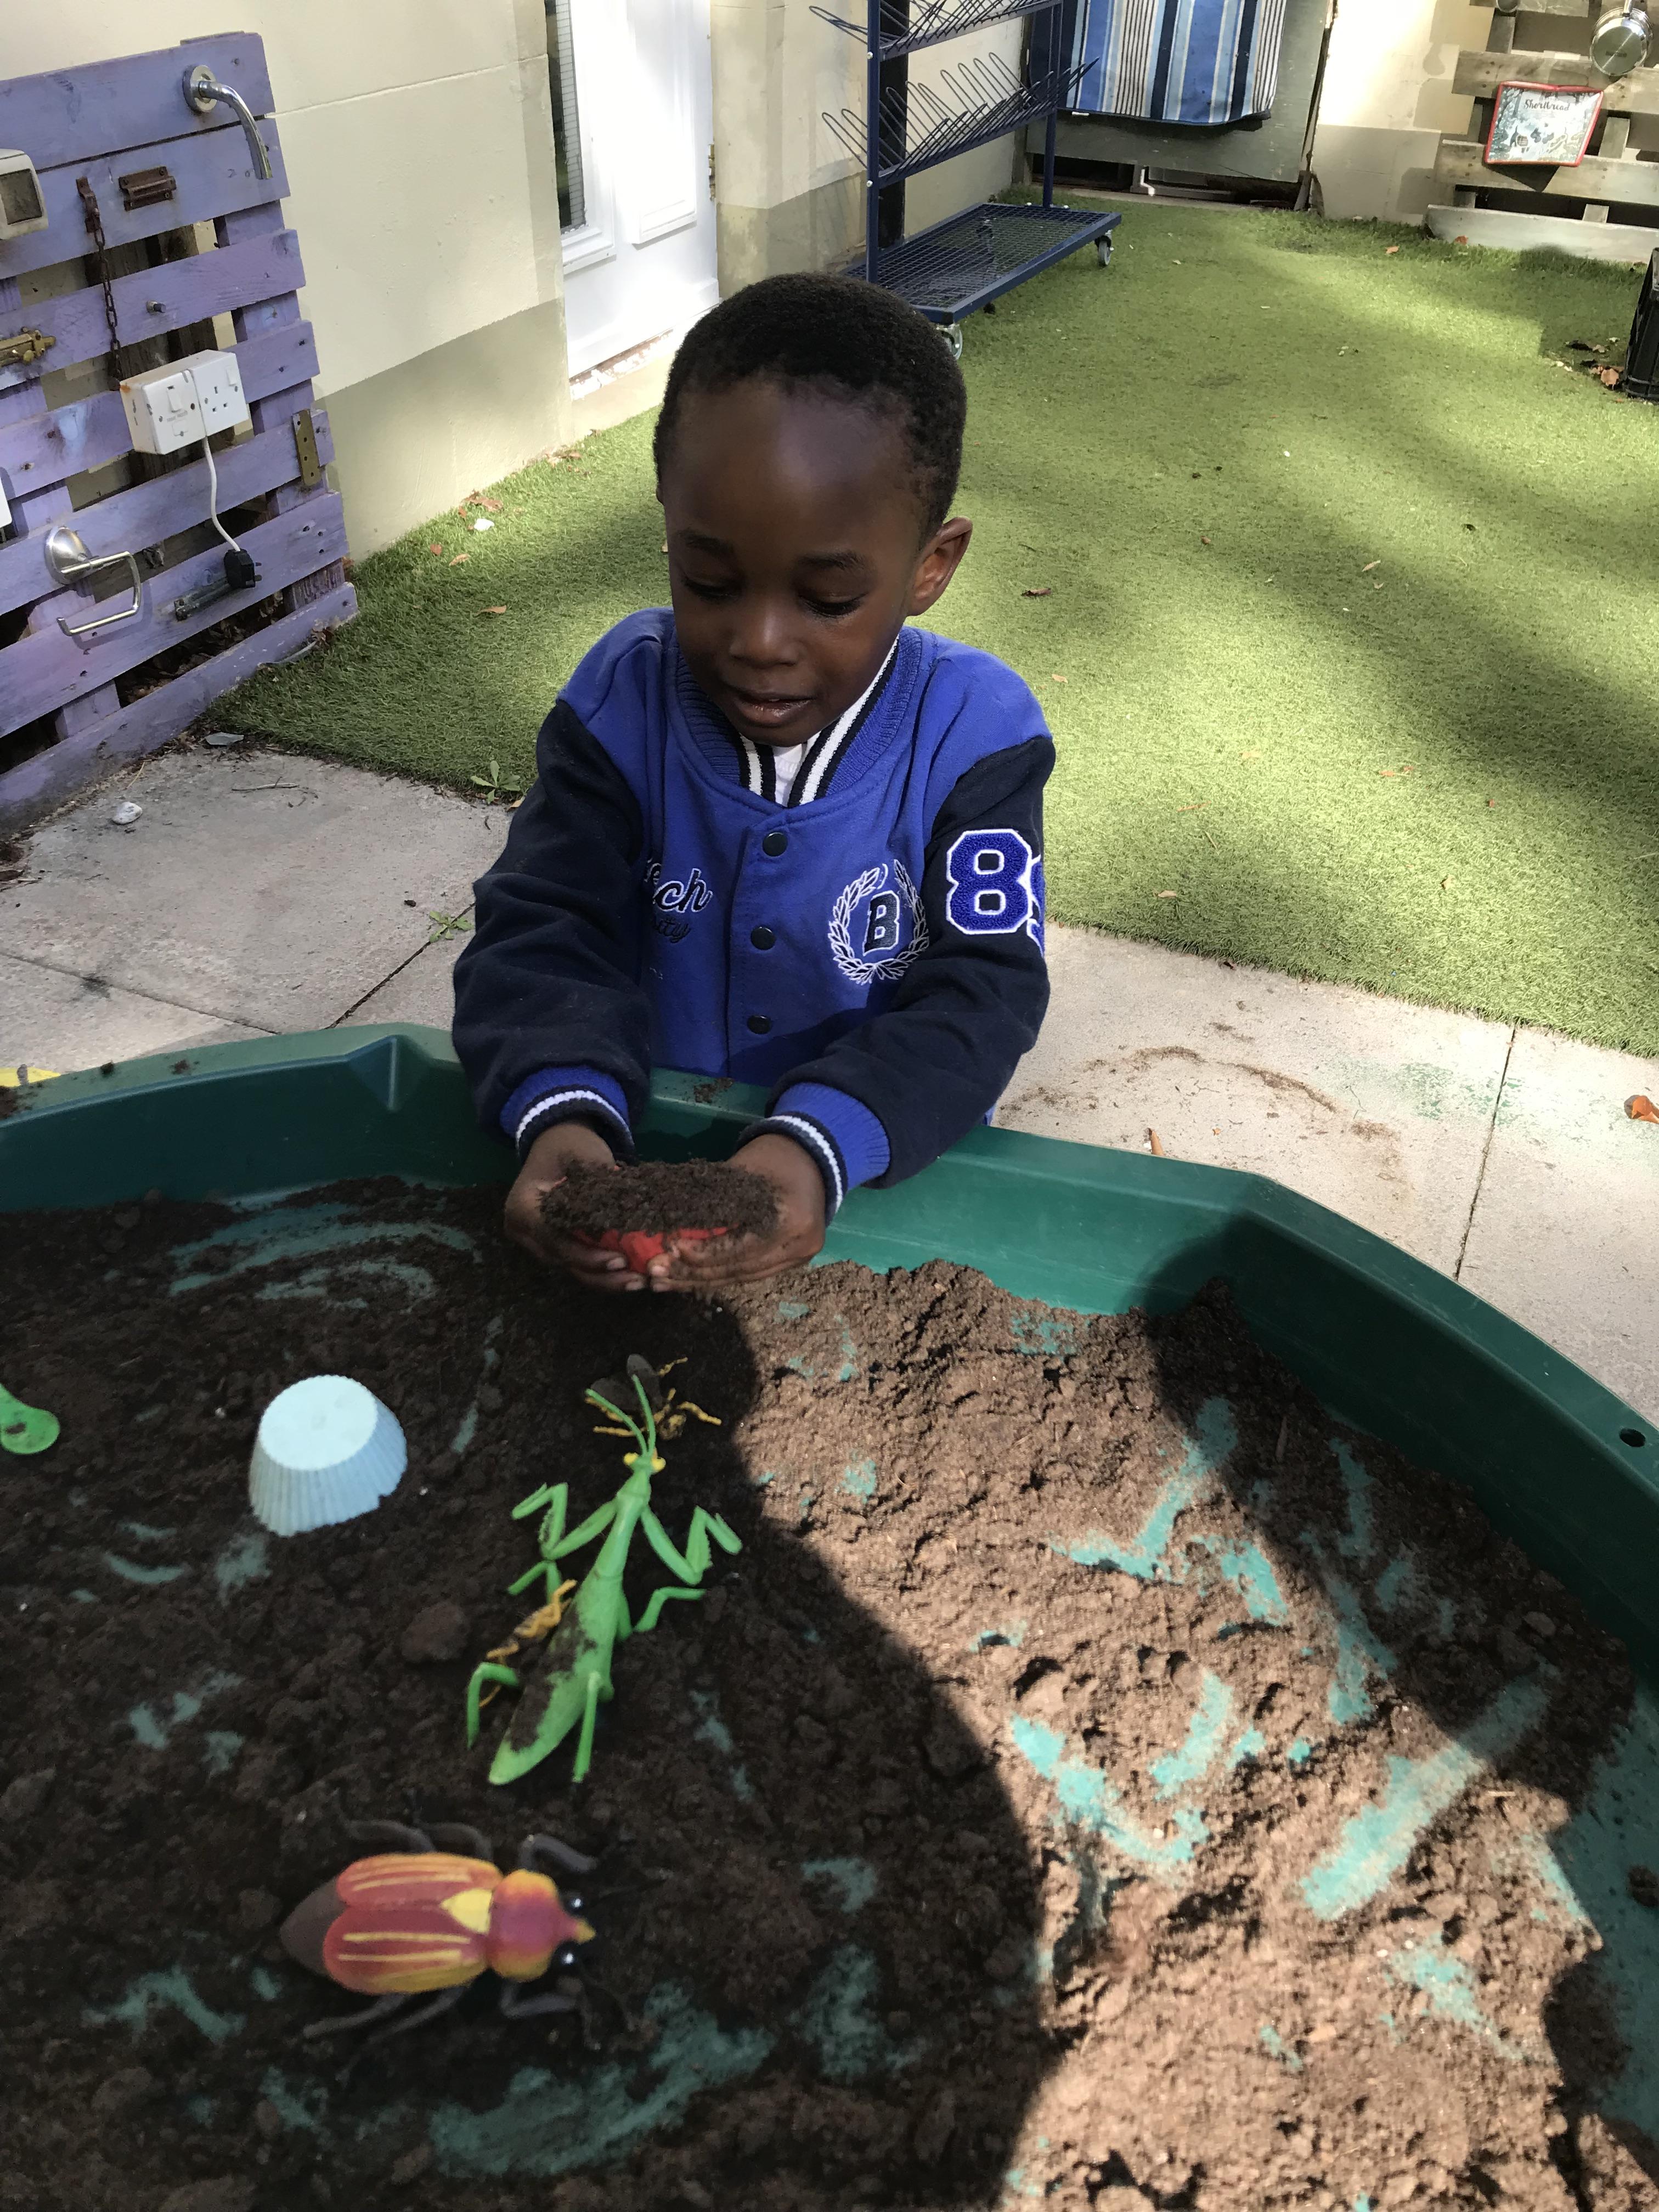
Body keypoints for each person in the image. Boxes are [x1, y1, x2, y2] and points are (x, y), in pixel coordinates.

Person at [452, 272, 1053, 1292]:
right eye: (710, 582)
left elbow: (984, 992)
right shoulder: (621, 700)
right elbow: (543, 928)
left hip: (872, 1180)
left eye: (828, 598)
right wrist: (561, 1117)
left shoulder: (977, 734)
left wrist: (814, 1149)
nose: (761, 642)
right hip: (643, 1151)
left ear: (931, 565)